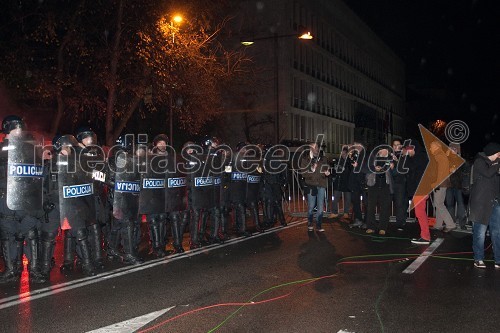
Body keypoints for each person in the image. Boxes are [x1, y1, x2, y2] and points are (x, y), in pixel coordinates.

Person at [0, 115, 46, 283]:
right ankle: (12, 269)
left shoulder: (30, 149)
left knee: (31, 233)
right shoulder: (2, 149)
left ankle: (34, 270)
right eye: (16, 129)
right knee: (8, 235)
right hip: (6, 199)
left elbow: (40, 172)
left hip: (27, 198)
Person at [468, 142, 500, 268]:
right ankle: (478, 258)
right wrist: (497, 163)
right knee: (480, 233)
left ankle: (498, 259)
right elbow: (488, 173)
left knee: (497, 232)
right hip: (480, 203)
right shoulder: (479, 161)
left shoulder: (496, 165)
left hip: (495, 202)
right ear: (494, 153)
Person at [403, 139, 431, 244]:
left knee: (420, 213)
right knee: (420, 213)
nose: (408, 151)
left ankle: (425, 236)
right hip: (417, 189)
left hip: (421, 189)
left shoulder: (421, 157)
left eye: (410, 149)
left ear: (415, 147)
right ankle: (424, 235)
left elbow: (414, 168)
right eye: (407, 149)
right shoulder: (415, 158)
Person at [300, 141, 331, 232]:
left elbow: (326, 168)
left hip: (321, 184)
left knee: (321, 207)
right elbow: (304, 173)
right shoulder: (305, 159)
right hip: (311, 185)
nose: (316, 149)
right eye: (314, 148)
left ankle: (318, 224)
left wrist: (327, 172)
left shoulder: (323, 158)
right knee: (311, 206)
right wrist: (312, 169)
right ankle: (310, 222)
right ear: (310, 148)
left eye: (317, 147)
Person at [429, 141, 456, 232]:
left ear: (437, 147)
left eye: (431, 147)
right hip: (442, 183)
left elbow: (440, 172)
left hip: (440, 184)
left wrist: (435, 183)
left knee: (439, 204)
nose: (430, 148)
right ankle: (438, 224)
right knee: (439, 203)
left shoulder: (439, 156)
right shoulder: (441, 155)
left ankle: (450, 224)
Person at [365, 147, 393, 235]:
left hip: (385, 186)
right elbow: (366, 170)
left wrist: (392, 167)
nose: (385, 152)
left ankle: (383, 227)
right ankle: (371, 227)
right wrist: (374, 169)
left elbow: (393, 171)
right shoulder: (372, 159)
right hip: (373, 185)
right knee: (371, 207)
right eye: (383, 150)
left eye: (386, 151)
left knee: (384, 207)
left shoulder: (390, 159)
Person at [445, 143, 467, 230]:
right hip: (449, 185)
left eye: (455, 148)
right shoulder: (446, 158)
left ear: (458, 150)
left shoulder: (462, 160)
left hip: (459, 185)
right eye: (451, 148)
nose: (453, 150)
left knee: (461, 204)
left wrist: (456, 169)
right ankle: (451, 222)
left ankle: (462, 223)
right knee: (449, 204)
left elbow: (465, 173)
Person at [390, 138, 408, 231]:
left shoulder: (404, 155)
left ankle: (400, 222)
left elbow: (402, 171)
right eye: (394, 145)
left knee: (399, 203)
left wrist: (396, 162)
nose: (396, 147)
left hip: (400, 182)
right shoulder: (389, 155)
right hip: (390, 182)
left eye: (398, 145)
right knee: (391, 202)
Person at [332, 146, 352, 219]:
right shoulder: (338, 160)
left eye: (344, 154)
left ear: (347, 154)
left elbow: (351, 170)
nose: (343, 155)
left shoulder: (350, 161)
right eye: (342, 154)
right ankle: (334, 212)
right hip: (339, 181)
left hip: (347, 182)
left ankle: (346, 212)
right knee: (335, 197)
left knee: (348, 198)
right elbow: (335, 170)